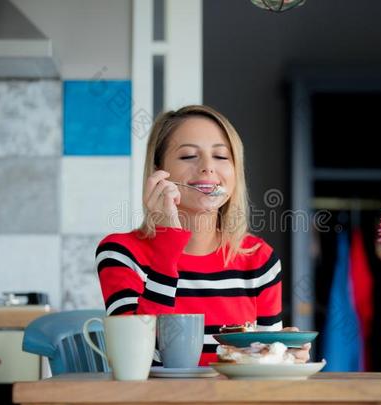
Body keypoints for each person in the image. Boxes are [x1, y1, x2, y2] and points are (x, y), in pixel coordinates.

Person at [95, 105, 309, 365]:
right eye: (188, 156)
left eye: (221, 156)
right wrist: (167, 240)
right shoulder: (121, 252)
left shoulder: (259, 259)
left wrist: (284, 355)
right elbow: (132, 359)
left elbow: (262, 363)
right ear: (158, 171)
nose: (208, 168)